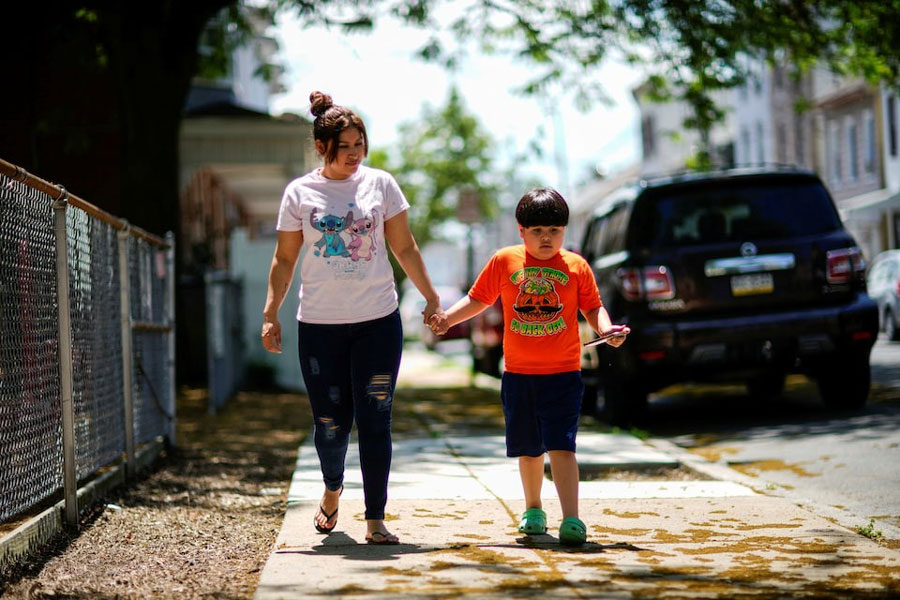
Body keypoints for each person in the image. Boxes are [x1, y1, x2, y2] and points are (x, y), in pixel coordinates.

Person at [262, 91, 445, 545]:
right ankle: (332, 487)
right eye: (345, 146)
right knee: (330, 423)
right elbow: (285, 259)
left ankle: (376, 518)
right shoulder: (300, 193)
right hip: (319, 326)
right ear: (323, 147)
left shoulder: (380, 184)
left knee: (376, 417)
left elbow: (404, 246)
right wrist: (271, 313)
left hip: (377, 320)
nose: (354, 154)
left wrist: (431, 296)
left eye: (359, 144)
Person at [429, 187, 629, 545]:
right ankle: (533, 509)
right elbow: (478, 299)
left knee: (563, 447)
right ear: (521, 231)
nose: (546, 238)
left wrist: (606, 329)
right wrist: (447, 318)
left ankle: (572, 519)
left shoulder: (575, 266)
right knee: (529, 448)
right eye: (537, 231)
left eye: (554, 230)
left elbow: (593, 307)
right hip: (519, 375)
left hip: (564, 374)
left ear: (564, 231)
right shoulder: (505, 261)